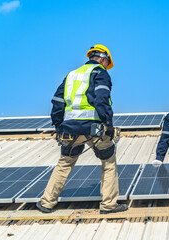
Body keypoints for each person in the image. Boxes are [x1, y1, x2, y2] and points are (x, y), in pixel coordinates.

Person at [36, 44, 128, 214]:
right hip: (93, 128)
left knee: (64, 162)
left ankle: (47, 202)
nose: (106, 66)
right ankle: (109, 205)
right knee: (108, 161)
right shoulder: (100, 73)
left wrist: (58, 126)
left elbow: (57, 102)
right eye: (107, 63)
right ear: (103, 59)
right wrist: (107, 124)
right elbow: (102, 99)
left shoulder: (71, 75)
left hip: (69, 128)